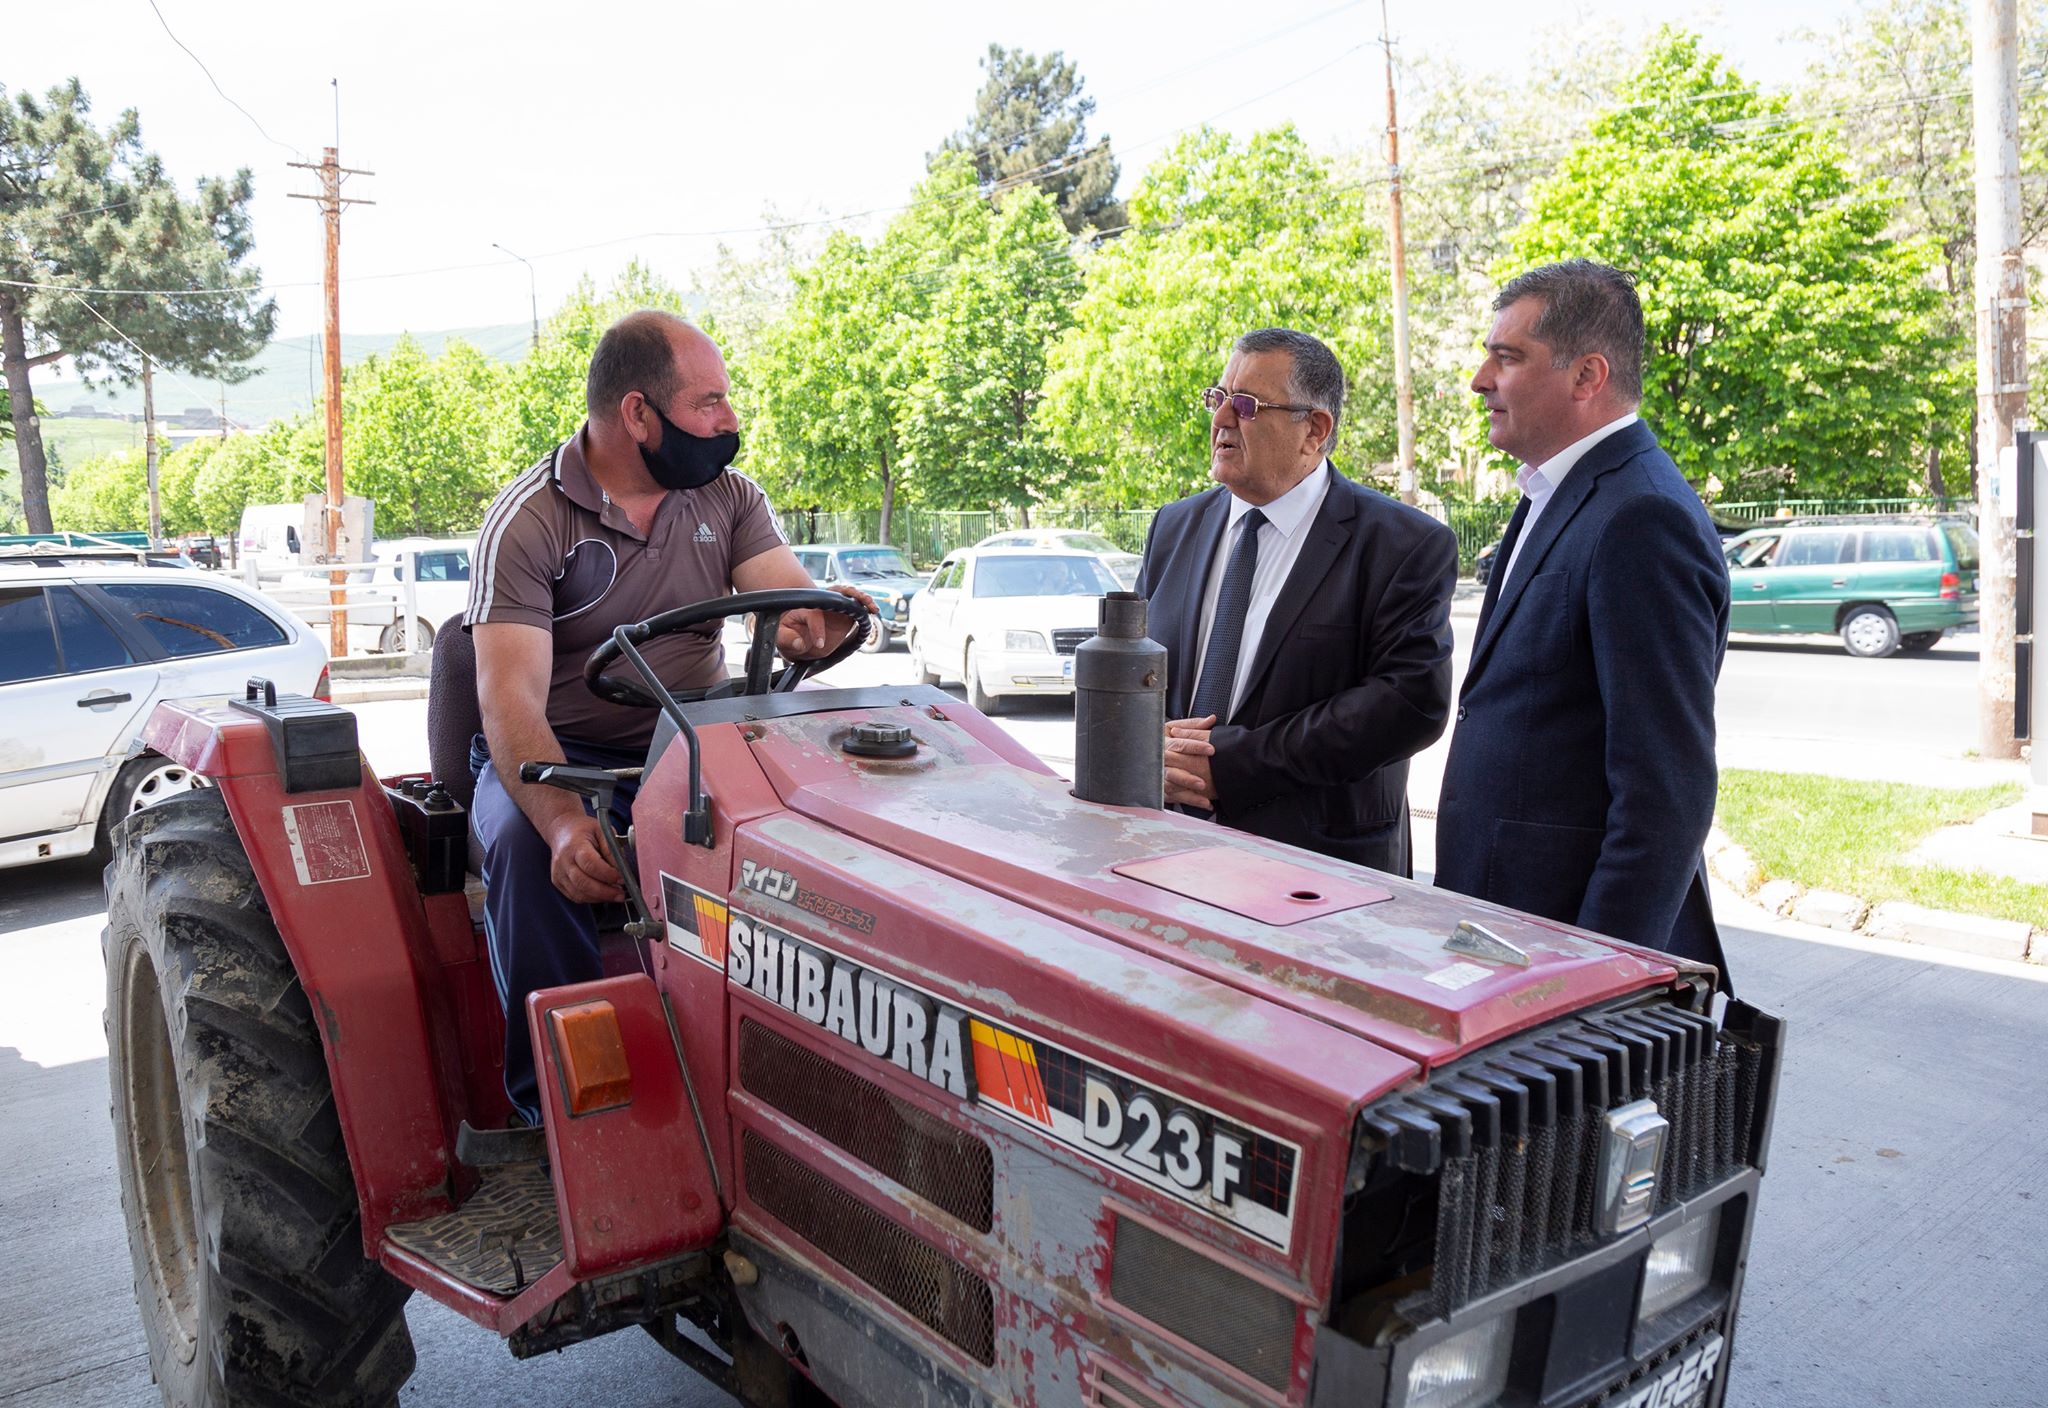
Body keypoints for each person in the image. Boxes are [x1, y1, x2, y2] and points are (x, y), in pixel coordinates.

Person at [465, 310, 871, 1122]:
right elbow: (509, 702)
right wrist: (564, 824)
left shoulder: (729, 497)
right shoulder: (531, 522)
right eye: (709, 402)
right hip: (566, 756)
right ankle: (564, 1117)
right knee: (527, 849)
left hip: (695, 752)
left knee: (820, 835)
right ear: (638, 414)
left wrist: (817, 622)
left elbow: (787, 600)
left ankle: (791, 1089)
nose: (730, 420)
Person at [1434, 260, 1731, 971]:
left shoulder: (1641, 516)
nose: (1480, 379)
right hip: (1506, 927)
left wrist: (1599, 975)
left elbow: (1666, 796)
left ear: (1587, 376)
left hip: (1563, 953)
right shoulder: (1556, 491)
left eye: (1508, 358)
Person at [1136, 327, 1457, 876]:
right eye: (1218, 398)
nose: (1221, 419)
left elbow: (1408, 705)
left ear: (1314, 430)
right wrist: (1146, 747)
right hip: (1167, 852)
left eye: (1246, 404)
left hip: (1323, 871)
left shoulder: (1402, 544)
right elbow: (1136, 672)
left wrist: (1233, 765)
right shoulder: (1174, 526)